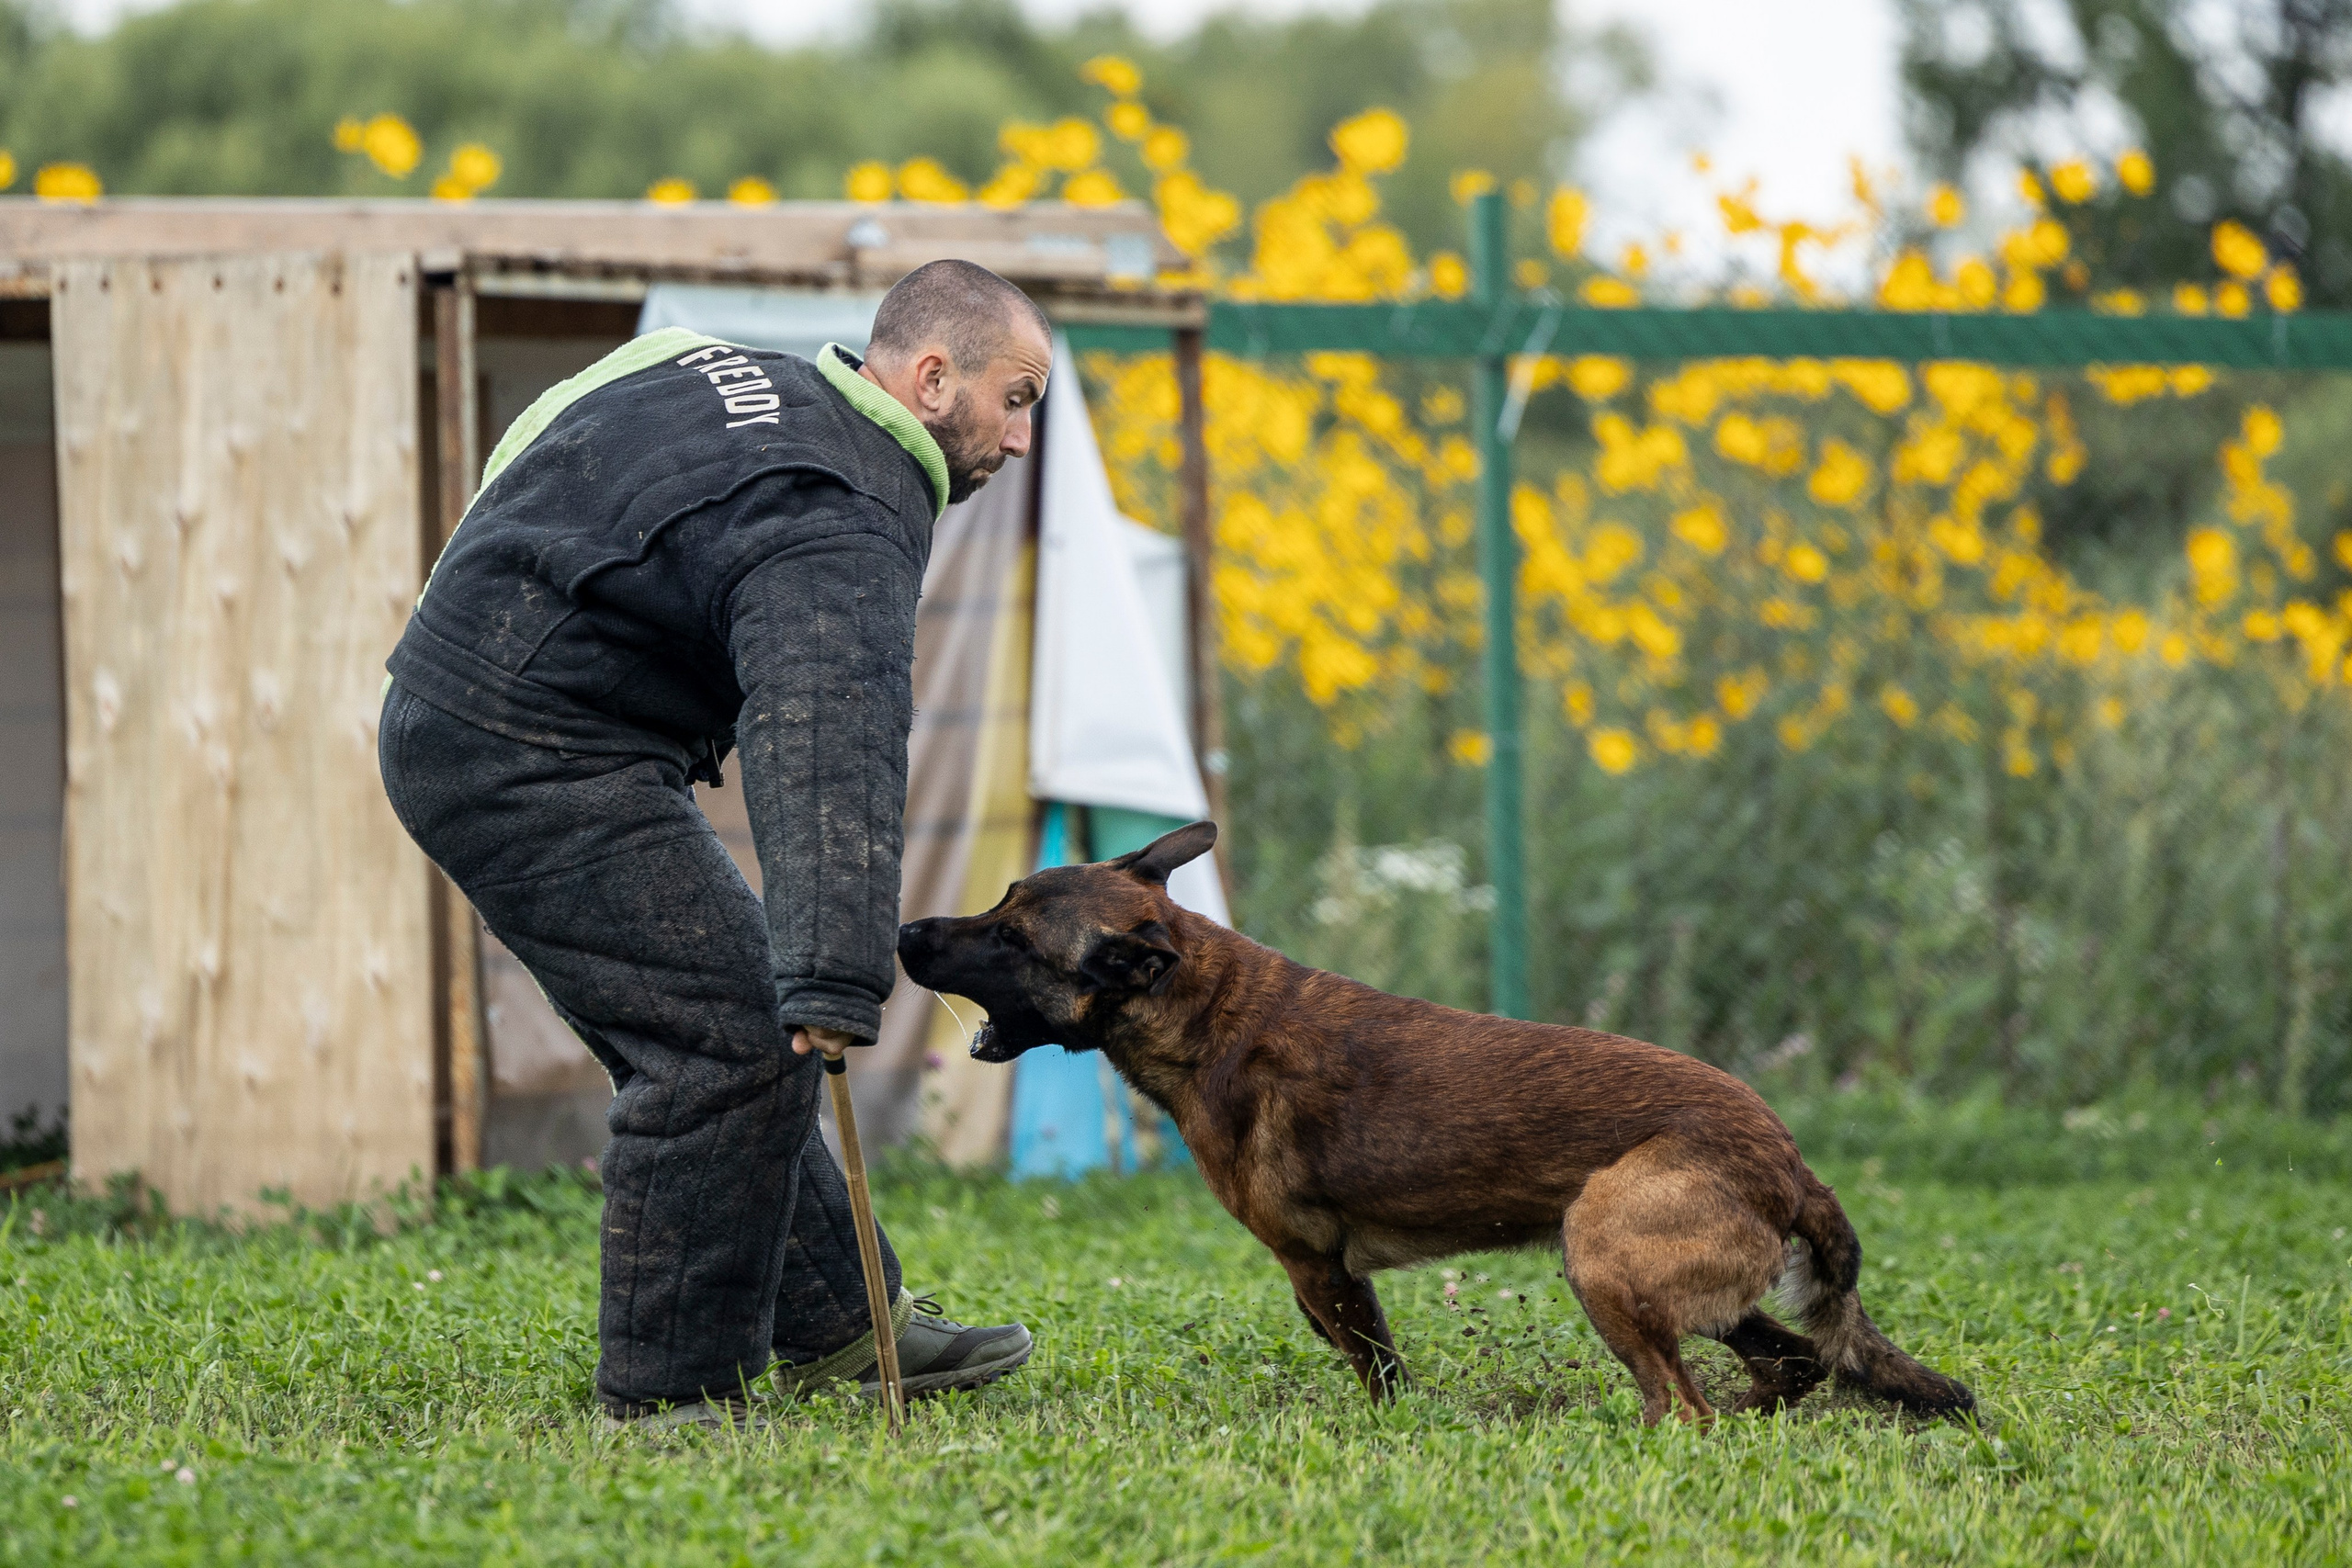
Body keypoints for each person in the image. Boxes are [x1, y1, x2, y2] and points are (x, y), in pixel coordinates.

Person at [378, 259, 1052, 1427]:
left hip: (486, 709)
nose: (1021, 438)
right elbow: (825, 735)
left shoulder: (740, 374)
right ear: (934, 379)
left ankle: (845, 1323)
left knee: (744, 1010)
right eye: (1017, 399)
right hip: (523, 750)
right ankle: (666, 1396)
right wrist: (836, 974)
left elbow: (546, 430)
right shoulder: (847, 508)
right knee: (732, 1040)